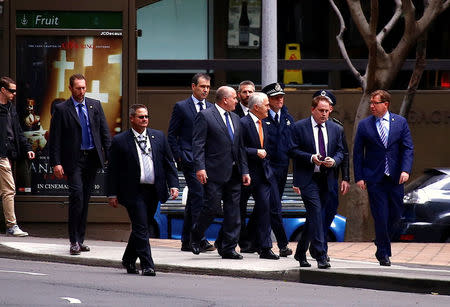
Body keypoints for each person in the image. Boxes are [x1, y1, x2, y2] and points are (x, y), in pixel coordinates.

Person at [107, 104, 179, 276]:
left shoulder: (159, 137)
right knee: (141, 226)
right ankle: (148, 265)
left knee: (143, 226)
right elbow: (113, 170)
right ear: (132, 119)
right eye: (141, 117)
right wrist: (112, 193)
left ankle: (128, 259)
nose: (145, 119)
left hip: (154, 190)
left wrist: (174, 185)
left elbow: (169, 163)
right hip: (132, 191)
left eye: (146, 116)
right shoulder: (120, 140)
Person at [49, 74, 111, 255]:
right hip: (73, 160)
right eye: (78, 88)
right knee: (76, 196)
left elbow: (104, 132)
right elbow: (55, 139)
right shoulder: (62, 109)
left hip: (92, 158)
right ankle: (73, 241)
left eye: (84, 88)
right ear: (70, 88)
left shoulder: (95, 105)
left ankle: (81, 239)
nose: (82, 91)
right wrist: (56, 163)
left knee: (85, 199)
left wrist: (108, 155)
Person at [353, 90, 414, 266]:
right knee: (380, 215)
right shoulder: (365, 125)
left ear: (385, 104)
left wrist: (405, 170)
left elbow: (408, 148)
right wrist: (360, 177)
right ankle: (383, 253)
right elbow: (358, 153)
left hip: (395, 177)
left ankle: (380, 240)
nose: (371, 106)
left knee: (395, 215)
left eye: (375, 103)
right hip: (375, 178)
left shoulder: (400, 123)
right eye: (371, 102)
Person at [190, 86, 251, 259]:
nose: (237, 101)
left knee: (234, 211)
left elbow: (240, 148)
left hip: (234, 172)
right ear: (225, 99)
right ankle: (196, 235)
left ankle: (228, 248)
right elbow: (198, 144)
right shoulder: (206, 116)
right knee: (212, 207)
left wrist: (245, 170)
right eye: (234, 98)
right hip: (214, 171)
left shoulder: (236, 118)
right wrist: (200, 167)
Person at [290, 95, 344, 269]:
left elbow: (342, 152)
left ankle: (300, 252)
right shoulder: (299, 127)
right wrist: (311, 157)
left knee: (315, 217)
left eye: (327, 111)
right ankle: (321, 255)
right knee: (315, 213)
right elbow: (292, 150)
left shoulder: (336, 129)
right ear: (312, 109)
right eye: (321, 110)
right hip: (308, 178)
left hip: (326, 178)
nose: (324, 114)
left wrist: (334, 161)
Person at [167, 73, 214, 253]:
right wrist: (179, 156)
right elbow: (172, 134)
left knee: (196, 199)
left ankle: (186, 240)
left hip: (206, 161)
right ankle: (199, 239)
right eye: (202, 86)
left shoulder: (211, 108)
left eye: (208, 87)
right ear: (193, 87)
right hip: (189, 160)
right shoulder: (181, 107)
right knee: (199, 197)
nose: (205, 90)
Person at [239, 92, 280, 259]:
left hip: (263, 175)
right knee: (237, 211)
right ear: (256, 107)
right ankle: (224, 241)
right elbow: (238, 149)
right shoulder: (242, 123)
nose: (269, 108)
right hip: (246, 174)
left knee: (265, 208)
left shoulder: (266, 124)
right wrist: (255, 152)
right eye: (266, 105)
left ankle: (265, 247)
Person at [258, 82, 293, 257]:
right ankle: (282, 244)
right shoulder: (262, 119)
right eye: (276, 97)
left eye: (282, 97)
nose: (280, 100)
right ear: (268, 100)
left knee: (267, 208)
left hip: (282, 170)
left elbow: (292, 146)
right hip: (266, 169)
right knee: (274, 208)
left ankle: (255, 242)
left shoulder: (287, 118)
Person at [0, 76, 35, 236]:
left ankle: (10, 225)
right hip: (2, 155)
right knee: (9, 189)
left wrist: (27, 147)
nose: (14, 94)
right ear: (3, 90)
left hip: (8, 155)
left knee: (7, 189)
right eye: (12, 91)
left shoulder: (11, 108)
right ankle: (11, 226)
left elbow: (18, 131)